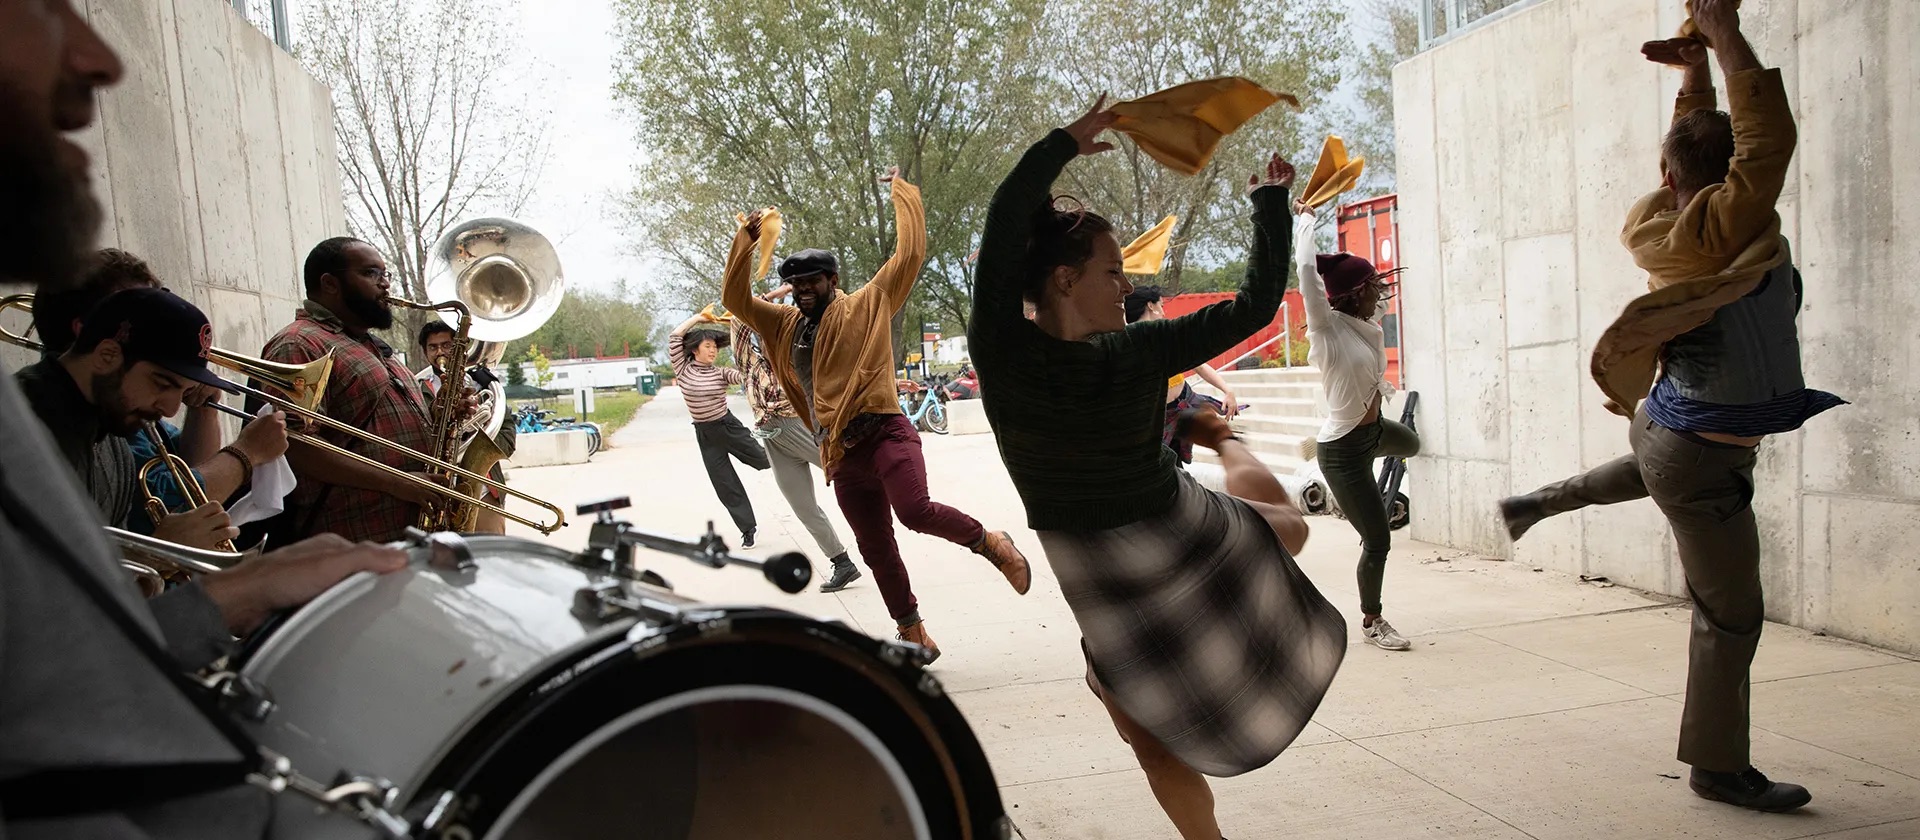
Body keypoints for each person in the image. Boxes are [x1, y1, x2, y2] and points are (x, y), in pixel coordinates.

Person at [0, 3, 407, 834]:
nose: (99, 58)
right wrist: (247, 478)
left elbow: (54, 673)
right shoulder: (37, 421)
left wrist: (236, 591)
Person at [966, 98, 1344, 840]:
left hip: (1122, 555)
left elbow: (1006, 212)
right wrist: (1266, 205)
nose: (1125, 288)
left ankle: (1215, 437)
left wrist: (1066, 143)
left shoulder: (1009, 354)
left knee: (1146, 731)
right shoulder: (1119, 350)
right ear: (1067, 280)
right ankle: (1217, 436)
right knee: (1286, 533)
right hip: (1152, 546)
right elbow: (1258, 303)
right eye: (1113, 272)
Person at [1498, 0, 1834, 813]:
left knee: (1648, 467)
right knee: (1731, 614)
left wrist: (1691, 74)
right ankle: (1718, 768)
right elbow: (1767, 141)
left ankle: (1538, 499)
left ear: (1668, 179)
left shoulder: (1662, 221)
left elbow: (1702, 152)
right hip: (1700, 453)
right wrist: (1722, 36)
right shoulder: (1728, 226)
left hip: (1666, 423)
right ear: (1733, 185)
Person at [722, 168, 1031, 663]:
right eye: (794, 283)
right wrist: (745, 241)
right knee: (874, 547)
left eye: (811, 281)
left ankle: (991, 543)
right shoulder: (783, 324)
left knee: (914, 511)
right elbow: (734, 301)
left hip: (886, 432)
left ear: (832, 281)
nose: (801, 289)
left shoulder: (867, 304)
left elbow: (908, 255)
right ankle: (913, 633)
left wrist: (902, 195)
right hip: (841, 450)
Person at [15, 287, 271, 552]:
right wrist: (158, 553)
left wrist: (157, 564)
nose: (172, 408)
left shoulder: (112, 438)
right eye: (161, 383)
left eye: (182, 391)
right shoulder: (19, 429)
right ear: (107, 356)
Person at [258, 237, 454, 544]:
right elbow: (293, 445)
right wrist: (397, 482)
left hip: (410, 531)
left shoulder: (368, 343)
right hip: (355, 537)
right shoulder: (298, 343)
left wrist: (440, 414)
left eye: (385, 275)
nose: (385, 285)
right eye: (371, 274)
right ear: (330, 283)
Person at [1289, 205, 1420, 651]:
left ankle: (1356, 497)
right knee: (1378, 538)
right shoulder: (1327, 330)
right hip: (1343, 450)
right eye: (1375, 287)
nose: (1382, 293)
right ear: (1353, 294)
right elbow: (1307, 270)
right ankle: (1372, 620)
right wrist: (1304, 220)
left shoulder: (1364, 326)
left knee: (1414, 444)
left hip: (1374, 431)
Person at [729, 289, 862, 590]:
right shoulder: (751, 362)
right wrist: (773, 295)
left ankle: (896, 498)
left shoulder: (795, 358)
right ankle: (842, 562)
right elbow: (738, 321)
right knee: (803, 506)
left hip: (798, 427)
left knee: (851, 473)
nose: (766, 337)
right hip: (773, 440)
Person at [668, 309, 772, 546]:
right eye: (708, 346)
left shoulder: (721, 373)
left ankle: (791, 453)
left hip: (728, 427)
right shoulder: (682, 370)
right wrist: (699, 318)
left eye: (715, 346)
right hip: (706, 435)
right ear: (695, 350)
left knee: (764, 460)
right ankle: (748, 529)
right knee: (725, 484)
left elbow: (746, 376)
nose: (713, 350)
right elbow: (675, 337)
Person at [1122, 285, 1241, 464]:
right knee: (1166, 464)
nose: (1163, 311)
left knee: (1218, 436)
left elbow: (1199, 366)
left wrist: (1227, 390)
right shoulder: (1128, 338)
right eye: (1161, 305)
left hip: (1186, 401)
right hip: (1159, 414)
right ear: (1151, 306)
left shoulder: (1166, 333)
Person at [415, 320, 512, 535]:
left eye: (446, 345)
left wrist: (476, 451)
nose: (440, 351)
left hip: (483, 487)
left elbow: (507, 432)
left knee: (490, 555)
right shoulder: (417, 388)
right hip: (438, 487)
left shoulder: (483, 383)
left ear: (460, 346)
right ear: (425, 352)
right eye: (433, 347)